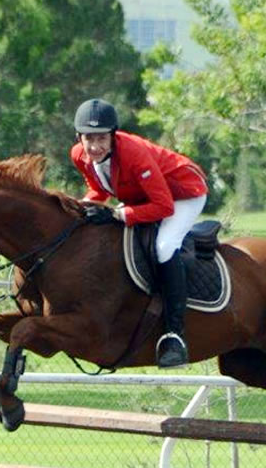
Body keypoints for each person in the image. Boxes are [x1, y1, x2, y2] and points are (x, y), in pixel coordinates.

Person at [70, 98, 208, 368]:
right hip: (144, 196)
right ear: (79, 138)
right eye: (89, 139)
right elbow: (98, 191)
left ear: (113, 136)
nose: (95, 146)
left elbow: (163, 206)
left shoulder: (132, 153)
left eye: (102, 138)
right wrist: (78, 209)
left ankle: (174, 333)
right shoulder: (79, 155)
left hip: (183, 193)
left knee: (164, 246)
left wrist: (118, 214)